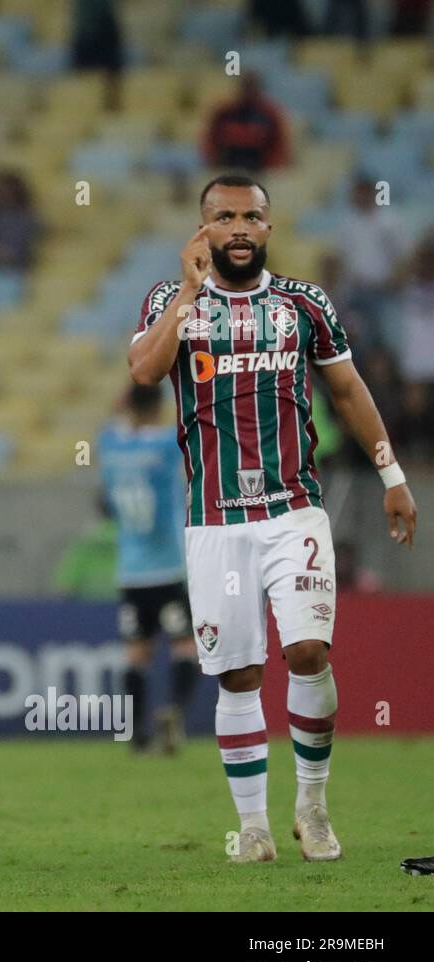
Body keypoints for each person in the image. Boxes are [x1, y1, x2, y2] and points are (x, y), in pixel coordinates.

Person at [127, 175, 418, 863]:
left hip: (293, 510)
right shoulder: (171, 302)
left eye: (250, 217)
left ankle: (312, 806)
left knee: (309, 652)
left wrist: (392, 473)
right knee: (238, 675)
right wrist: (190, 295)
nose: (237, 228)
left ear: (269, 227)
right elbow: (143, 370)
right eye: (222, 217)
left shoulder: (303, 304)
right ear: (201, 230)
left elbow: (347, 389)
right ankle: (253, 826)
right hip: (213, 520)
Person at [98, 383, 199, 754]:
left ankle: (136, 733)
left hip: (130, 571)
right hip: (168, 567)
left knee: (136, 653)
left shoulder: (110, 444)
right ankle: (174, 711)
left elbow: (105, 501)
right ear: (158, 406)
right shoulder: (166, 445)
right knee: (185, 647)